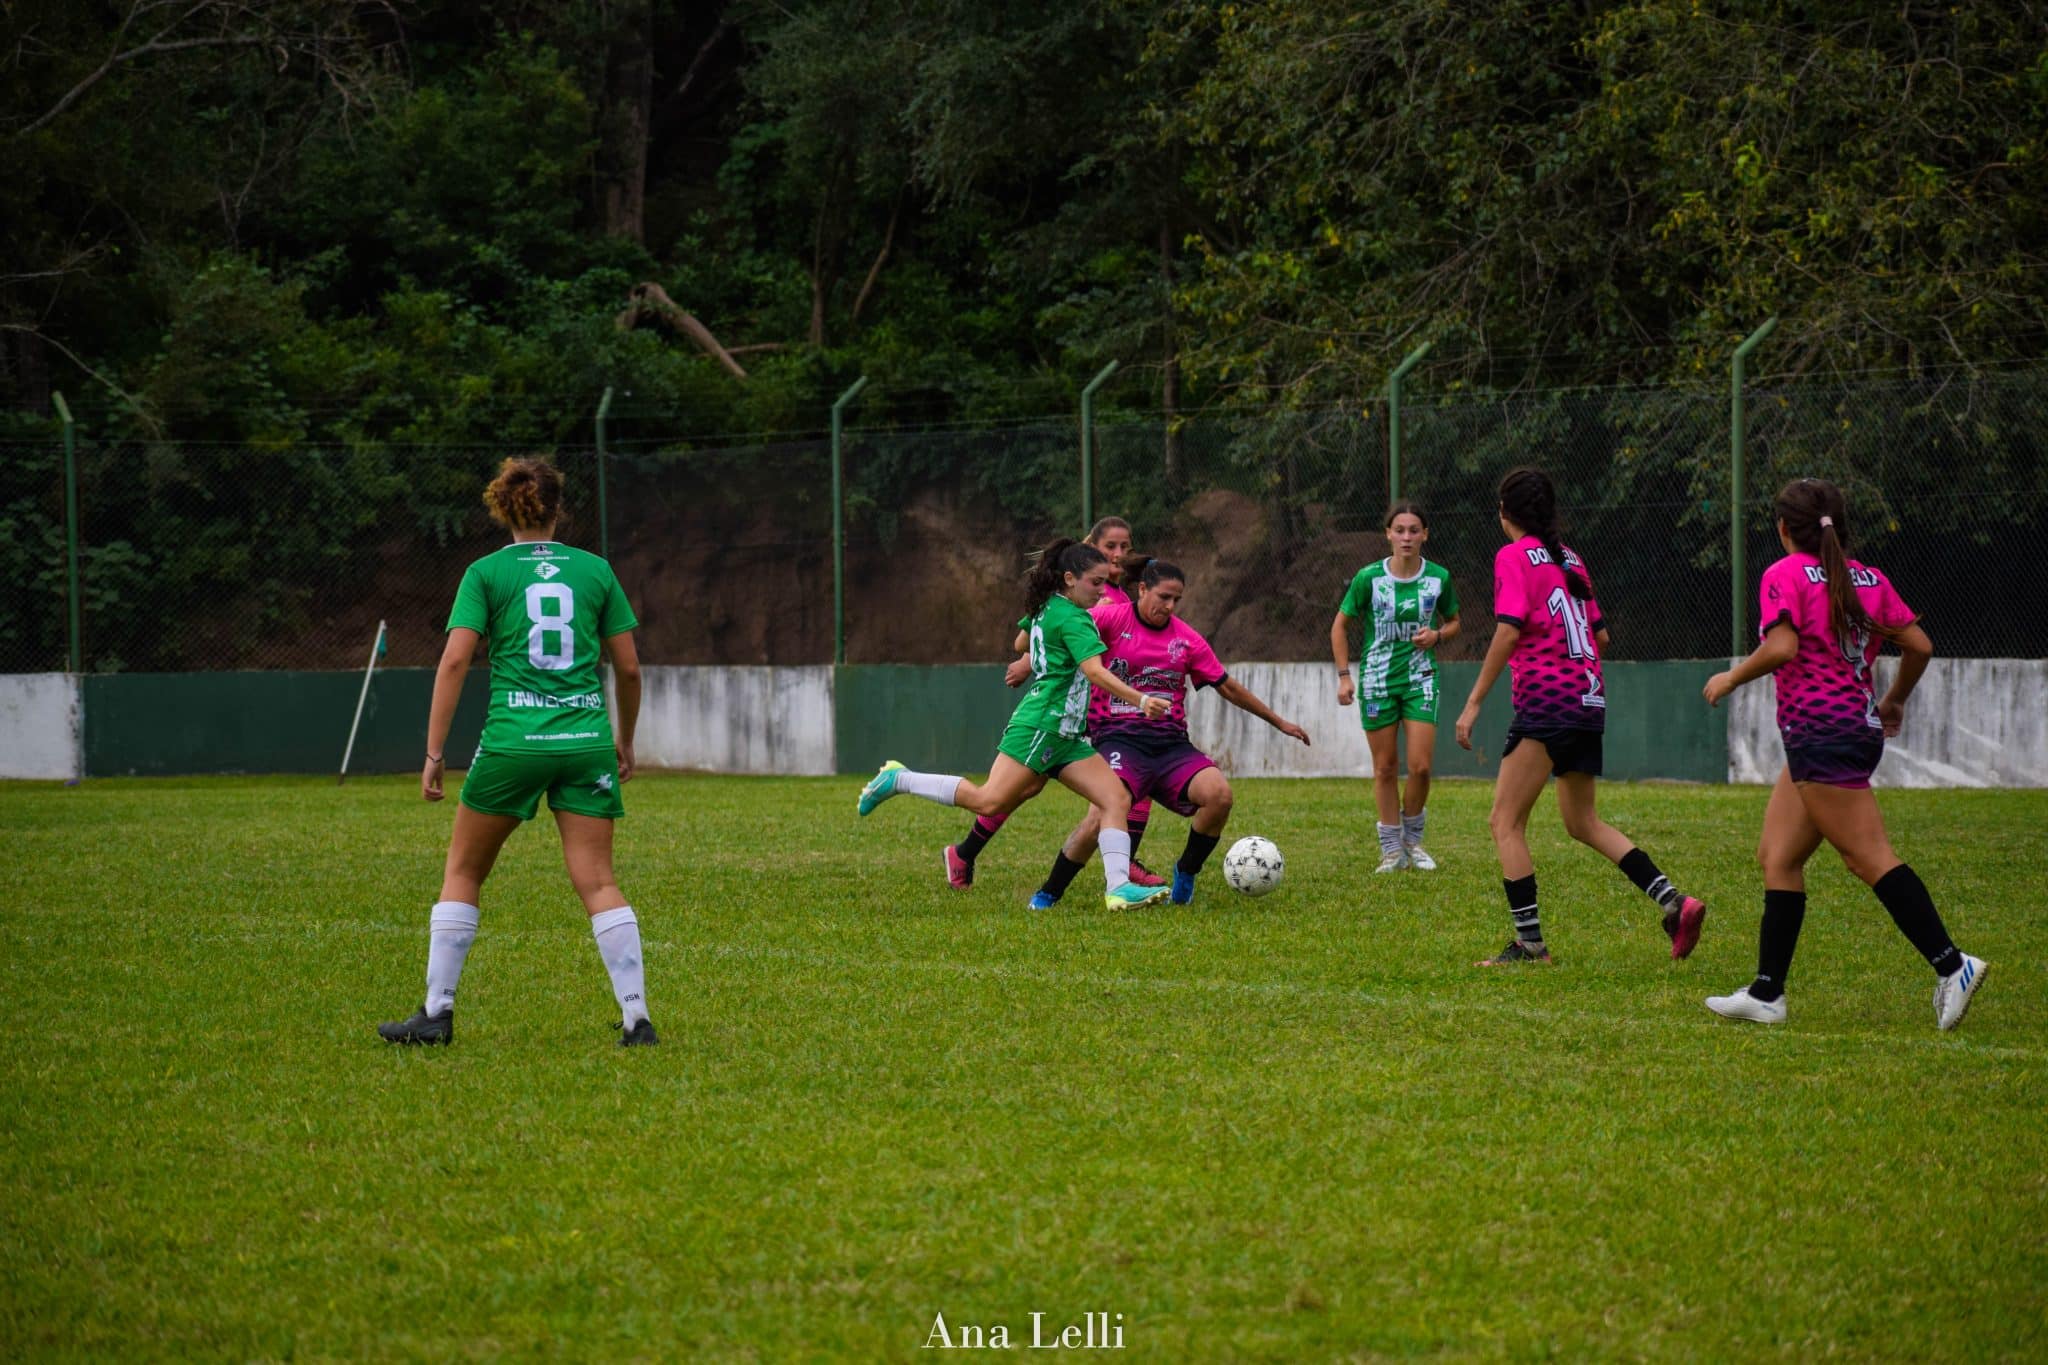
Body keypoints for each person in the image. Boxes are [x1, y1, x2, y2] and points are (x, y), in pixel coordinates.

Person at [378, 457, 656, 1047]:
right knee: (600, 881)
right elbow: (628, 668)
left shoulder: (484, 573)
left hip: (512, 741)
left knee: (463, 870)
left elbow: (455, 660)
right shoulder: (596, 571)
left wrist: (434, 753)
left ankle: (436, 1015)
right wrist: (623, 741)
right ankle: (637, 1019)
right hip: (584, 741)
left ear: (502, 508)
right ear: (559, 509)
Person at [1701, 478, 1986, 1028]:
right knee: (1778, 855)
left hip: (1820, 734)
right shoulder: (1868, 578)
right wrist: (1894, 699)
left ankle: (1954, 966)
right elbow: (1920, 645)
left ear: (1783, 529)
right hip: (1851, 730)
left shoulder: (1783, 574)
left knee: (1868, 857)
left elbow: (1783, 646)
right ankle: (1766, 993)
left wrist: (1732, 677)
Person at [1454, 466, 1707, 967]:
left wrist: (1474, 700)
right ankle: (1675, 903)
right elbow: (1602, 637)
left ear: (1506, 512)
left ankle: (1530, 947)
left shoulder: (1512, 556)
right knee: (1582, 821)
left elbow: (1508, 630)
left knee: (1505, 822)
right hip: (1588, 703)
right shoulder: (1571, 559)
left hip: (1547, 705)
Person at [856, 538, 1173, 910]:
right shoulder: (1073, 618)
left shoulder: (1048, 606)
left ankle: (1118, 887)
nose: (1103, 591)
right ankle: (899, 778)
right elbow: (1093, 671)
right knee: (988, 801)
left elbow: (1021, 639)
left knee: (1116, 797)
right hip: (1042, 727)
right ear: (1069, 578)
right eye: (1096, 583)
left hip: (1066, 735)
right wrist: (1141, 699)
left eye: (1105, 582)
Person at [1028, 555, 1311, 908]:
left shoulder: (1187, 639)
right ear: (1142, 589)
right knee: (1101, 812)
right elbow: (1060, 634)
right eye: (1163, 597)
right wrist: (1025, 660)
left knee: (1219, 795)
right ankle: (1049, 893)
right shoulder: (1108, 618)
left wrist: (1278, 721)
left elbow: (1228, 686)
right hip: (1117, 738)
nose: (1170, 606)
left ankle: (1186, 872)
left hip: (1169, 745)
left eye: (1176, 600)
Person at [943, 515, 1166, 889]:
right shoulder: (1084, 595)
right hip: (1075, 708)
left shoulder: (1117, 596)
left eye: (1125, 546)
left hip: (1090, 709)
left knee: (1113, 790)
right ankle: (1121, 870)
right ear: (1090, 546)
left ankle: (1121, 872)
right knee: (1016, 792)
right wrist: (1032, 661)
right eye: (1110, 545)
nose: (1118, 553)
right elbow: (1037, 638)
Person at [1331, 500, 1461, 872]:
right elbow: (1339, 625)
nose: (1407, 537)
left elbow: (1454, 621)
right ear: (1388, 534)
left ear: (1425, 535)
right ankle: (1391, 849)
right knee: (1385, 767)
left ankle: (1412, 841)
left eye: (1414, 530)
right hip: (1376, 681)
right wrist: (1344, 676)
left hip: (1421, 679)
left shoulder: (1439, 577)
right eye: (1399, 530)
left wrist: (1437, 634)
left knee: (1420, 767)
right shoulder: (1368, 578)